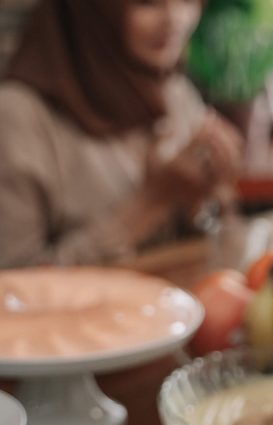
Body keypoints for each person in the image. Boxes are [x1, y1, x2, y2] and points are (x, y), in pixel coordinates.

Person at [0, 0, 242, 268]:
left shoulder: (174, 94)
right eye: (148, 2)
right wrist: (151, 202)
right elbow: (15, 288)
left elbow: (213, 251)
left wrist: (207, 197)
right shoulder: (19, 116)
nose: (176, 19)